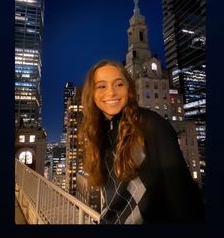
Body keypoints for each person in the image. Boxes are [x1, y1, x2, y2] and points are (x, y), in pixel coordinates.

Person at [79, 59, 205, 224]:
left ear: (129, 88)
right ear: (91, 93)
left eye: (119, 84)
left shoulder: (151, 124)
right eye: (101, 86)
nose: (111, 93)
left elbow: (182, 195)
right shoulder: (99, 133)